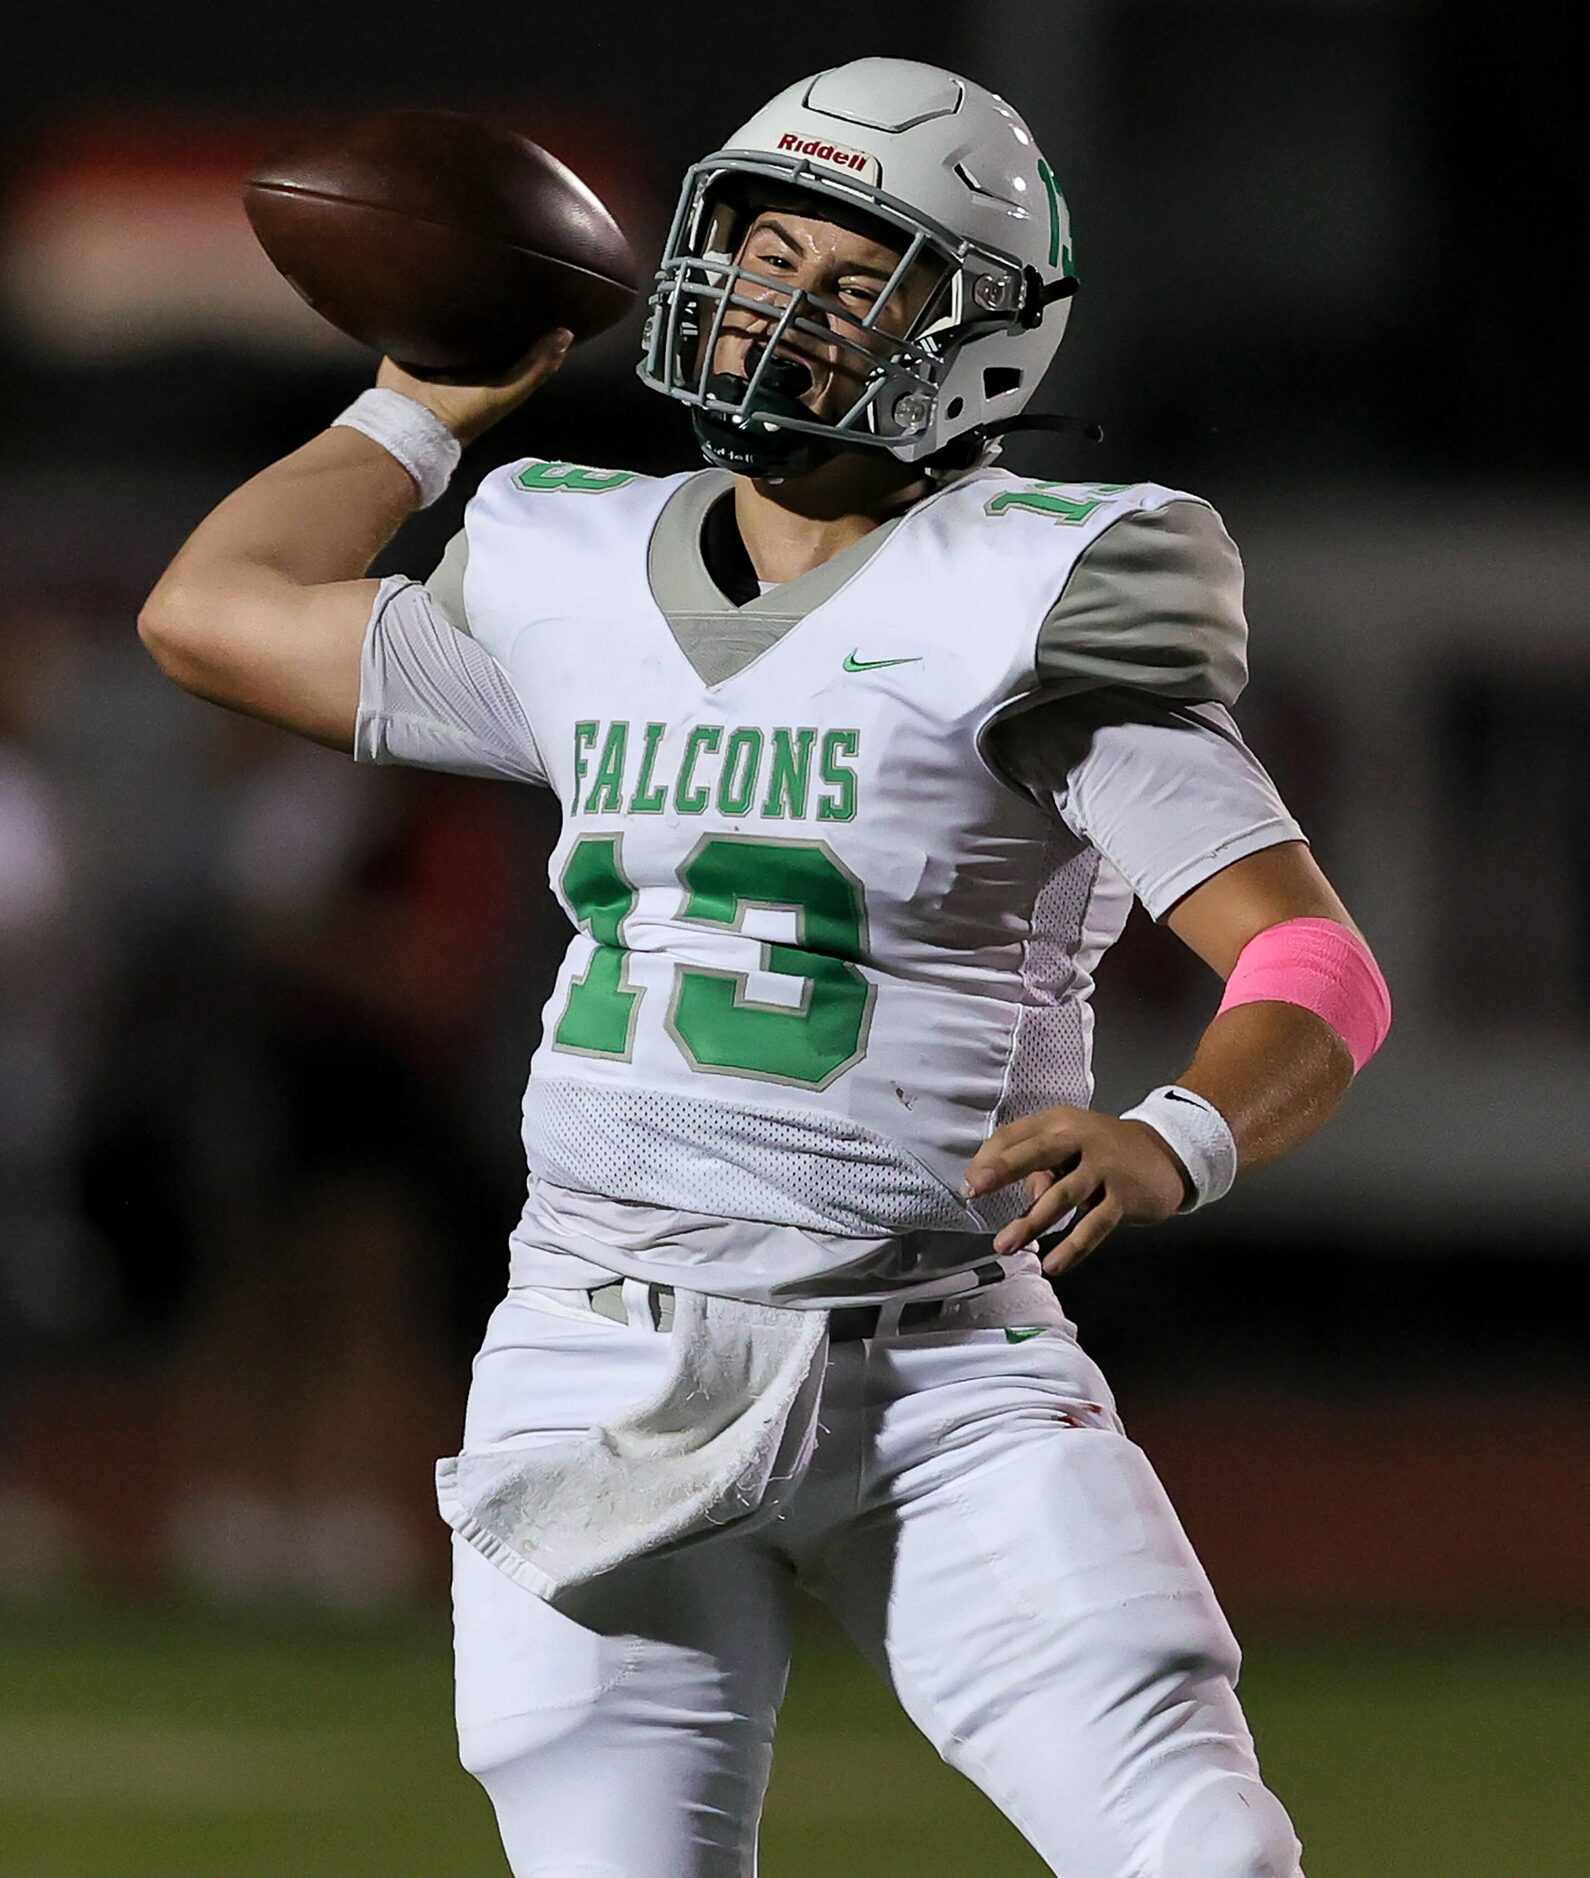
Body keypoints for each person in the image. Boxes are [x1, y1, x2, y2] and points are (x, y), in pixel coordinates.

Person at [139, 56, 1390, 1878]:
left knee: (1207, 1853)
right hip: (598, 1347)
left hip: (940, 1371)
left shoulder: (1038, 589)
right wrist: (415, 403)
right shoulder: (571, 558)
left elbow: (1309, 958)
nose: (772, 304)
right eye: (758, 248)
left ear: (973, 329)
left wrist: (1179, 1127)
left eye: (847, 275)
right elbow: (209, 613)